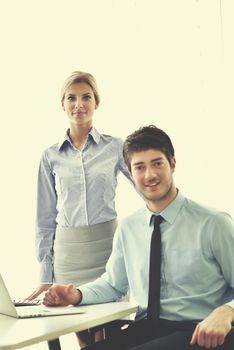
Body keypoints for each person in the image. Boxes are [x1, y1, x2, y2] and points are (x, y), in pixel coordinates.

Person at [43, 125, 234, 350]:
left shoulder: (213, 223)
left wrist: (226, 311)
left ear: (173, 163)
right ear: (131, 173)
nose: (149, 175)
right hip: (145, 329)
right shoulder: (129, 228)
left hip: (198, 332)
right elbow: (113, 284)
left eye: (157, 163)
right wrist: (76, 294)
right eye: (139, 167)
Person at [27, 71, 134, 347]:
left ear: (96, 102)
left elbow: (146, 189)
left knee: (109, 331)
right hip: (69, 254)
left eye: (86, 97)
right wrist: (46, 273)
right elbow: (45, 218)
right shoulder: (50, 156)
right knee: (82, 333)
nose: (79, 104)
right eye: (71, 98)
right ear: (62, 104)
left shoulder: (115, 147)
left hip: (107, 250)